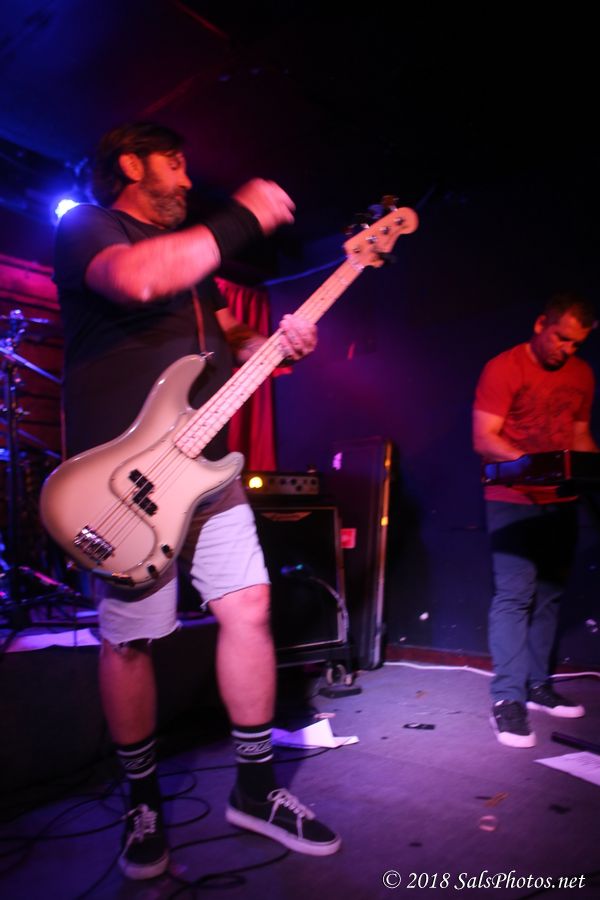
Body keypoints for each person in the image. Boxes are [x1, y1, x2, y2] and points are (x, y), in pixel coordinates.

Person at [53, 122, 341, 879]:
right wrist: (243, 213)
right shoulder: (89, 228)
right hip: (125, 481)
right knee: (131, 639)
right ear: (131, 163)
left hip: (206, 467)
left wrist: (278, 343)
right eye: (175, 164)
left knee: (249, 606)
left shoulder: (198, 272)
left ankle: (255, 787)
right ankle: (142, 800)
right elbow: (135, 280)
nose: (187, 179)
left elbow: (232, 338)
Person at [473, 293, 598, 748]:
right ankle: (507, 698)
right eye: (561, 338)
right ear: (540, 323)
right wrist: (536, 467)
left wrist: (593, 471)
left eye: (576, 343)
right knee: (514, 595)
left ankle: (537, 685)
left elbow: (580, 435)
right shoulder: (503, 368)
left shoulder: (582, 374)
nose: (567, 349)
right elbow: (484, 438)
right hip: (512, 498)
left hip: (561, 501)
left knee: (549, 596)